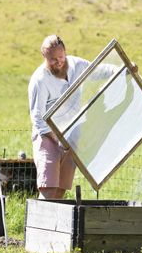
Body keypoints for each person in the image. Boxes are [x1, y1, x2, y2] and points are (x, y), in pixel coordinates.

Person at [27, 35, 123, 200]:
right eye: (52, 59)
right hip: (48, 137)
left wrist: (121, 69)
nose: (58, 62)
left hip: (70, 135)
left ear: (65, 52)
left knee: (61, 189)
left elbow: (97, 70)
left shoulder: (76, 65)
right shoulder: (40, 80)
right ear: (44, 56)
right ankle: (42, 223)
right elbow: (37, 117)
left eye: (61, 57)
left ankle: (56, 225)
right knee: (49, 188)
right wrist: (56, 139)